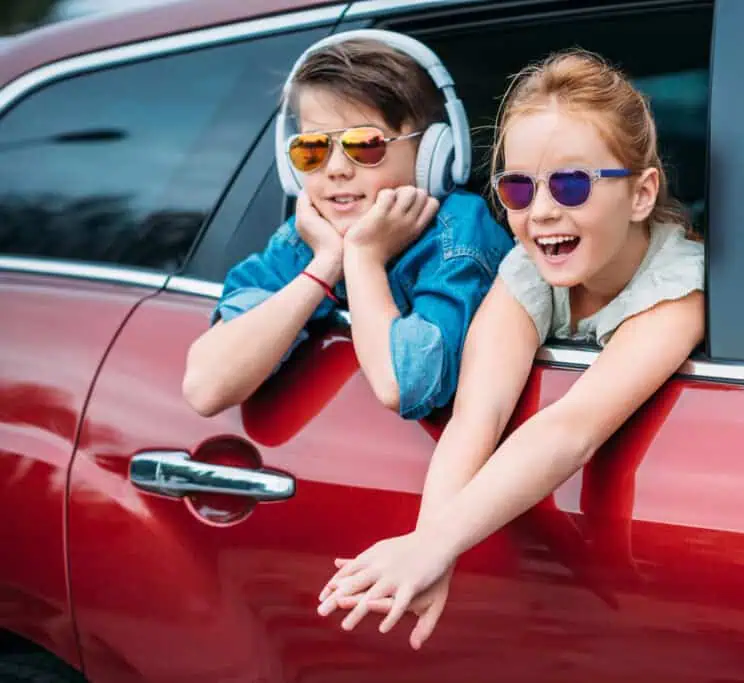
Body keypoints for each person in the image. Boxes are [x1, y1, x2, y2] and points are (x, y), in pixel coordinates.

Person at [316, 49, 706, 649]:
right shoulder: (526, 267)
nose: (541, 211)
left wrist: (434, 545)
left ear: (641, 193)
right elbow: (479, 413)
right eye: (519, 187)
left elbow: (572, 428)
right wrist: (430, 550)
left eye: (572, 184)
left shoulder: (679, 289)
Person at [182, 31, 512, 420]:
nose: (336, 169)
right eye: (312, 148)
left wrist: (364, 256)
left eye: (365, 145)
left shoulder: (461, 232)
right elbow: (205, 389)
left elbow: (404, 385)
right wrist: (325, 264)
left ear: (433, 153)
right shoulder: (306, 236)